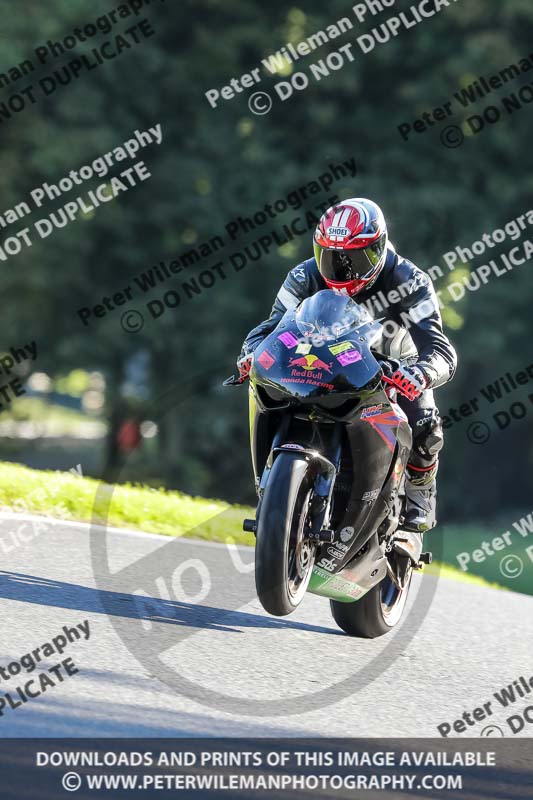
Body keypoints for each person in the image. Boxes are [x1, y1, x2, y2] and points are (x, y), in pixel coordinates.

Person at [236, 198, 457, 540]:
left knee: (426, 427)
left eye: (355, 258)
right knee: (267, 389)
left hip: (394, 369)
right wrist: (251, 352)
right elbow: (270, 328)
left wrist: (423, 373)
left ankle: (420, 491)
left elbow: (439, 348)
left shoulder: (409, 280)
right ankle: (274, 481)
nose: (342, 269)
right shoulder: (303, 274)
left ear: (379, 247)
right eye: (331, 256)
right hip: (325, 364)